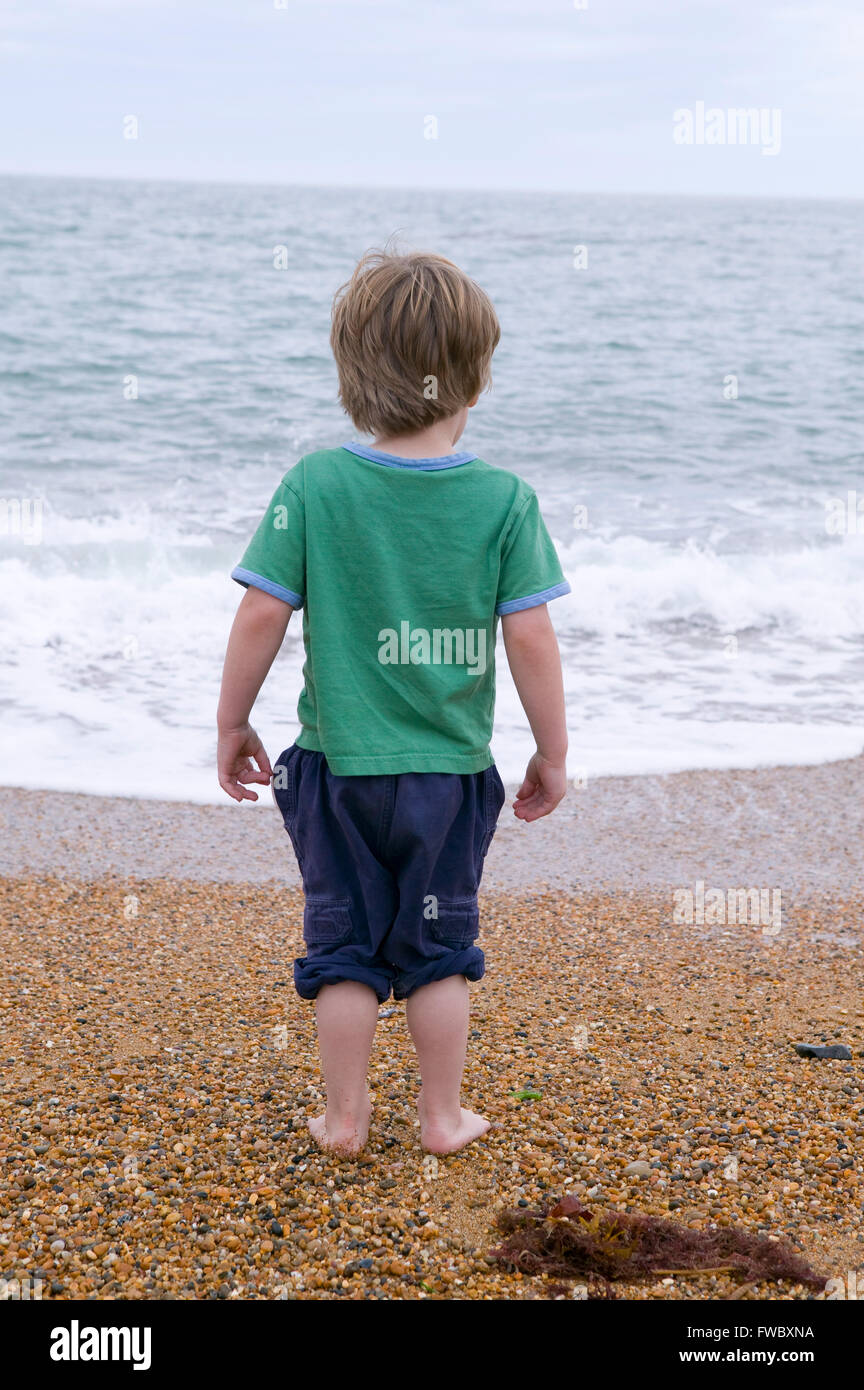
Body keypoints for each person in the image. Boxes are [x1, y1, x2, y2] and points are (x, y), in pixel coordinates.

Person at [217, 248, 570, 1156]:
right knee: (440, 947)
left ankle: (344, 1119)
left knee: (343, 946)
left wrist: (231, 721)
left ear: (352, 378)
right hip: (448, 777)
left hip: (333, 769)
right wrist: (551, 751)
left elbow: (261, 610)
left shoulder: (316, 485)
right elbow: (529, 637)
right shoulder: (503, 500)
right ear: (478, 377)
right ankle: (441, 1118)